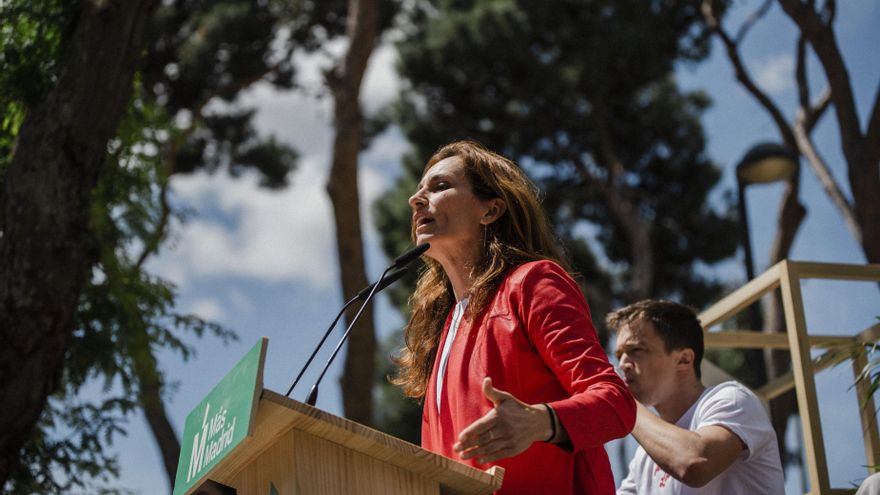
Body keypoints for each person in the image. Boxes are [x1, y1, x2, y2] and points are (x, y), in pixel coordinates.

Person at [392, 140, 636, 494]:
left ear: (490, 211)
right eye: (418, 191)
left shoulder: (534, 283)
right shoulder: (442, 330)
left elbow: (616, 403)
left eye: (440, 186)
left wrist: (542, 421)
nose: (416, 200)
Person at [608, 300, 784, 494]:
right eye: (619, 355)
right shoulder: (645, 457)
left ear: (684, 359)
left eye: (636, 350)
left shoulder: (732, 399)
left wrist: (625, 406)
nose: (622, 364)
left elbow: (696, 463)